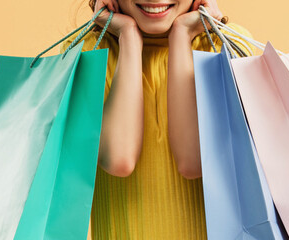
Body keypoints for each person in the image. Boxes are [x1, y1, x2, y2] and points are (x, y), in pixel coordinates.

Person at [61, 0, 254, 238]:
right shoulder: (86, 52)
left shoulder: (225, 48)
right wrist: (128, 38)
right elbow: (119, 159)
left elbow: (192, 161)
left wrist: (182, 35)